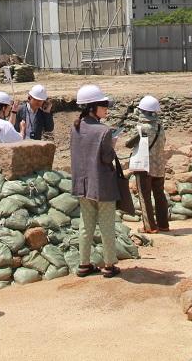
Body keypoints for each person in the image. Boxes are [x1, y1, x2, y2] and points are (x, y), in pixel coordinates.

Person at [69, 84, 122, 278]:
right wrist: (113, 144)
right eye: (104, 104)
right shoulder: (103, 131)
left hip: (82, 185)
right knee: (107, 225)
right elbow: (107, 159)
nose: (106, 108)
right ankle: (109, 265)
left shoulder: (75, 128)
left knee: (85, 225)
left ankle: (83, 264)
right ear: (92, 107)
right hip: (103, 186)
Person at [124, 95, 169, 234]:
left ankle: (150, 226)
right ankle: (164, 224)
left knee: (144, 197)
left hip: (144, 167)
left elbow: (128, 144)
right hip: (159, 166)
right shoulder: (160, 127)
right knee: (160, 195)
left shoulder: (141, 128)